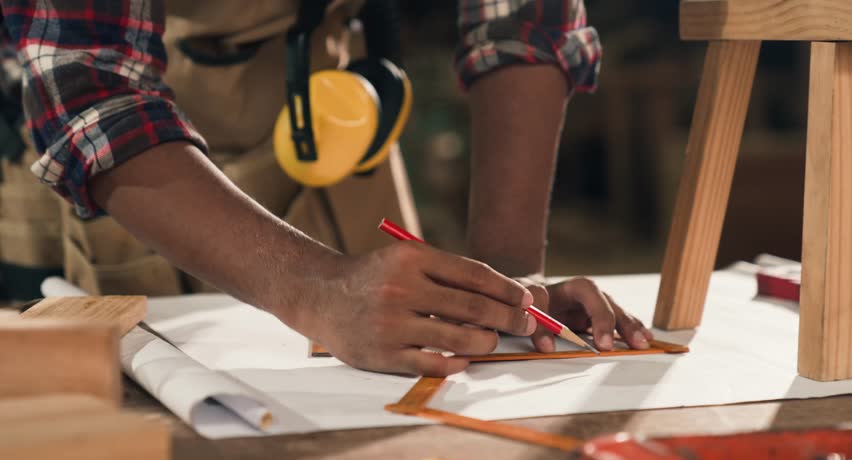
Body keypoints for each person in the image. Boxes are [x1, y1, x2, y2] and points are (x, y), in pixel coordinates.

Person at [0, 0, 652, 377]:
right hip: (132, 161)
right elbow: (91, 87)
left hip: (335, 108)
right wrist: (319, 289)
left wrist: (512, 288)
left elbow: (521, 23)